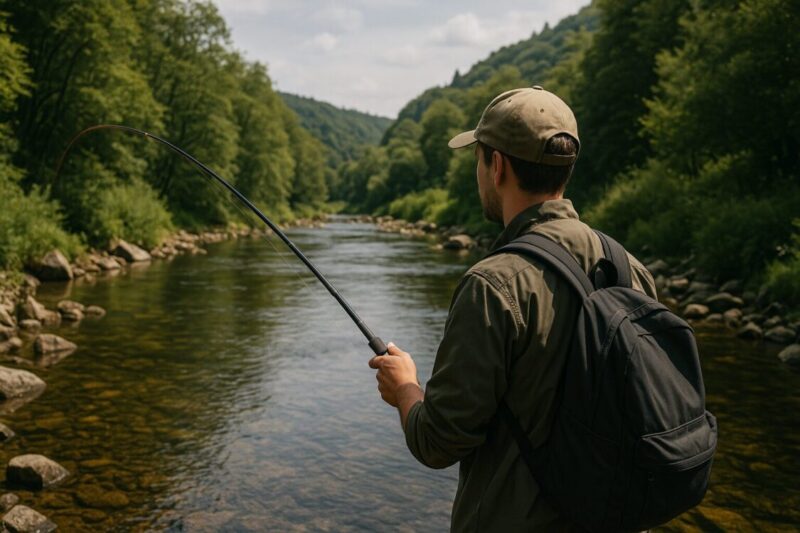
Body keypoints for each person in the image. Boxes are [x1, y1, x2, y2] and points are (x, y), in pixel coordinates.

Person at [368, 86, 657, 531]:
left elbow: (438, 442)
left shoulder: (492, 284)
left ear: (497, 165)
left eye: (479, 159)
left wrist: (405, 388)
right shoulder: (630, 267)